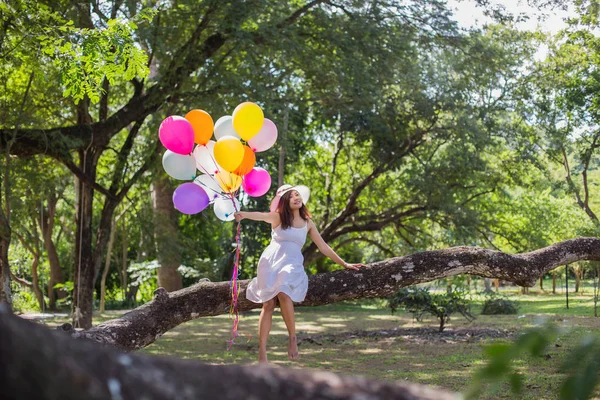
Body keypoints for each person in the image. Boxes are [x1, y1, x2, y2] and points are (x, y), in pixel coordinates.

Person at [234, 184, 365, 364]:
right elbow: (262, 216)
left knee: (284, 293)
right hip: (270, 262)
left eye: (298, 195)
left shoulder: (308, 223)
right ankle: (262, 351)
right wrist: (243, 214)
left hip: (291, 262)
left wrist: (344, 263)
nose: (297, 197)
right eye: (291, 196)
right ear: (285, 201)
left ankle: (293, 338)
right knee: (268, 304)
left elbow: (323, 247)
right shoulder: (278, 217)